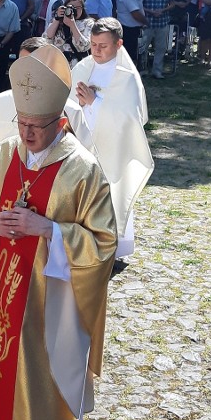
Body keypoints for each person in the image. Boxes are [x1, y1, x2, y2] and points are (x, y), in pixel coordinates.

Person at [0, 44, 118, 420]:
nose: (25, 133)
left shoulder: (84, 171)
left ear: (60, 124)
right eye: (21, 123)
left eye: (35, 127)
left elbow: (104, 242)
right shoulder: (2, 155)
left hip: (48, 296)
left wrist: (51, 231)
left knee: (34, 365)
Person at [0, 37, 94, 205]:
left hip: (52, 195)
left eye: (32, 65)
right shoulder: (1, 102)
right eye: (21, 64)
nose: (26, 74)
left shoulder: (69, 110)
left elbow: (85, 162)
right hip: (4, 191)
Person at [70, 18, 154, 260]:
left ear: (119, 44)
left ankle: (111, 248)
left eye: (103, 46)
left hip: (112, 148)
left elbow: (131, 119)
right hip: (82, 143)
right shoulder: (82, 69)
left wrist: (95, 102)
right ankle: (80, 245)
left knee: (110, 195)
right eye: (93, 44)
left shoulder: (126, 77)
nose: (96, 50)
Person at [45, 0, 93, 67]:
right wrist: (57, 19)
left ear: (83, 8)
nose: (74, 10)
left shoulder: (88, 23)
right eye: (71, 7)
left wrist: (72, 25)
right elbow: (46, 39)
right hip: (58, 65)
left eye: (78, 7)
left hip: (78, 65)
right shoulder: (58, 22)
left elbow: (84, 46)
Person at [115, 0, 147, 64]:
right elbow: (135, 13)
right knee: (130, 58)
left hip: (130, 28)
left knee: (134, 55)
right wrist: (146, 22)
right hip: (129, 29)